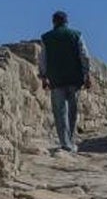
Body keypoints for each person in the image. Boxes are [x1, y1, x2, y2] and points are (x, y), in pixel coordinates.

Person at [39, 10, 92, 152]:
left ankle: (64, 142)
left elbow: (43, 59)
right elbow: (84, 56)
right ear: (66, 22)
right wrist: (87, 75)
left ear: (53, 22)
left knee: (60, 111)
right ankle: (71, 139)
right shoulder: (76, 35)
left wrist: (44, 77)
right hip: (75, 79)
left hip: (56, 80)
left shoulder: (46, 38)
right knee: (72, 111)